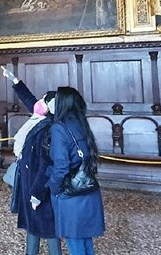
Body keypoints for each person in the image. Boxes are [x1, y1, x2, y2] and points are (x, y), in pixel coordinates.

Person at [2, 67, 62, 255]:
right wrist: (14, 80)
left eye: (44, 99)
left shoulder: (49, 127)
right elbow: (28, 98)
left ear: (51, 107)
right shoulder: (39, 116)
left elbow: (48, 164)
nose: (39, 101)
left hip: (39, 180)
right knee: (31, 220)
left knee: (47, 223)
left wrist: (37, 192)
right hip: (29, 176)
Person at [46, 86, 104, 255]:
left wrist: (54, 187)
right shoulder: (81, 123)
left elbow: (61, 166)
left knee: (75, 243)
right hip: (87, 188)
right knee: (85, 241)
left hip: (71, 194)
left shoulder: (59, 128)